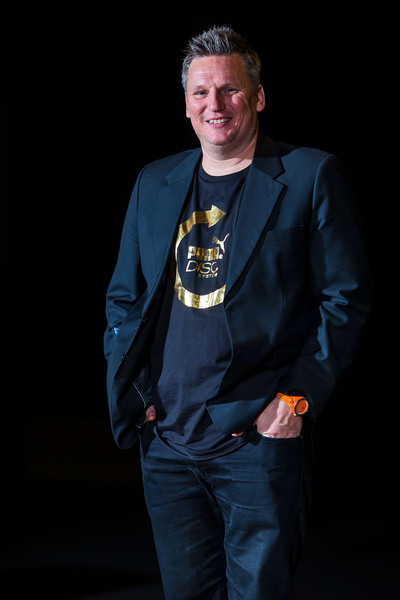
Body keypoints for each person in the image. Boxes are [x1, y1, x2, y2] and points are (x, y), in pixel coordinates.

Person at [104, 25, 371, 600]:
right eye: (201, 93)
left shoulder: (308, 176)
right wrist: (137, 389)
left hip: (256, 440)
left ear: (258, 96)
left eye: (229, 90)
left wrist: (296, 398)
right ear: (186, 105)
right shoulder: (154, 182)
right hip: (167, 442)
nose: (215, 105)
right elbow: (125, 297)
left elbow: (344, 300)